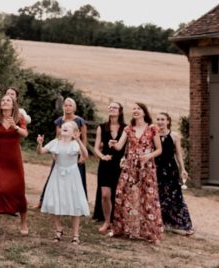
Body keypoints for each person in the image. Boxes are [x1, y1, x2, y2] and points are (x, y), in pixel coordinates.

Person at [111, 102, 163, 244]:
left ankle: (151, 233)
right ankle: (122, 229)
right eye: (133, 108)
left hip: (147, 166)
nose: (135, 111)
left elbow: (159, 149)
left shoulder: (152, 128)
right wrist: (113, 144)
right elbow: (120, 146)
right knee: (123, 194)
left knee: (148, 198)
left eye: (138, 108)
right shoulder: (128, 129)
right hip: (130, 166)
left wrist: (148, 156)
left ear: (144, 112)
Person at [0, 85, 29, 237]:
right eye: (3, 100)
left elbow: (25, 134)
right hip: (0, 160)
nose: (5, 102)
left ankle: (23, 222)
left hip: (14, 160)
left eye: (8, 100)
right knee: (0, 190)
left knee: (19, 191)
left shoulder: (19, 118)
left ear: (13, 104)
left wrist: (15, 127)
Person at [36, 120, 90, 244]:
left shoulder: (75, 144)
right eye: (63, 127)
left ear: (75, 132)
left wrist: (79, 140)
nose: (64, 128)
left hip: (72, 176)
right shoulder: (56, 142)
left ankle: (76, 234)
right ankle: (58, 228)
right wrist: (39, 144)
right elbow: (40, 152)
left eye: (68, 127)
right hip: (57, 174)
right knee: (53, 201)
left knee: (74, 203)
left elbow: (85, 155)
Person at [34, 97, 87, 209]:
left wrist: (82, 155)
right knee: (53, 176)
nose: (67, 107)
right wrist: (54, 152)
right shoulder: (59, 121)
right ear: (63, 107)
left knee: (77, 179)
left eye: (70, 105)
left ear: (74, 107)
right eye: (66, 105)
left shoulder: (80, 121)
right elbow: (57, 137)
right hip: (60, 153)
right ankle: (43, 201)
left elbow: (84, 138)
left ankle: (78, 205)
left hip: (75, 152)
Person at [155, 112, 194, 235]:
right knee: (158, 195)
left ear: (168, 121)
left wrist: (183, 169)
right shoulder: (153, 134)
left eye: (162, 119)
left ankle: (183, 224)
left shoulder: (174, 135)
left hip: (171, 169)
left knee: (175, 196)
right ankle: (161, 222)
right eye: (158, 119)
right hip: (156, 169)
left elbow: (178, 154)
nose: (160, 121)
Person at [92, 101, 126, 235]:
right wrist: (101, 156)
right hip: (105, 163)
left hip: (120, 164)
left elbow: (128, 147)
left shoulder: (126, 128)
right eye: (110, 107)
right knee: (105, 195)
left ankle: (117, 221)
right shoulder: (102, 127)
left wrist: (125, 158)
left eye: (115, 107)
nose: (112, 109)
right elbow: (96, 148)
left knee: (118, 195)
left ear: (120, 111)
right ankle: (107, 221)